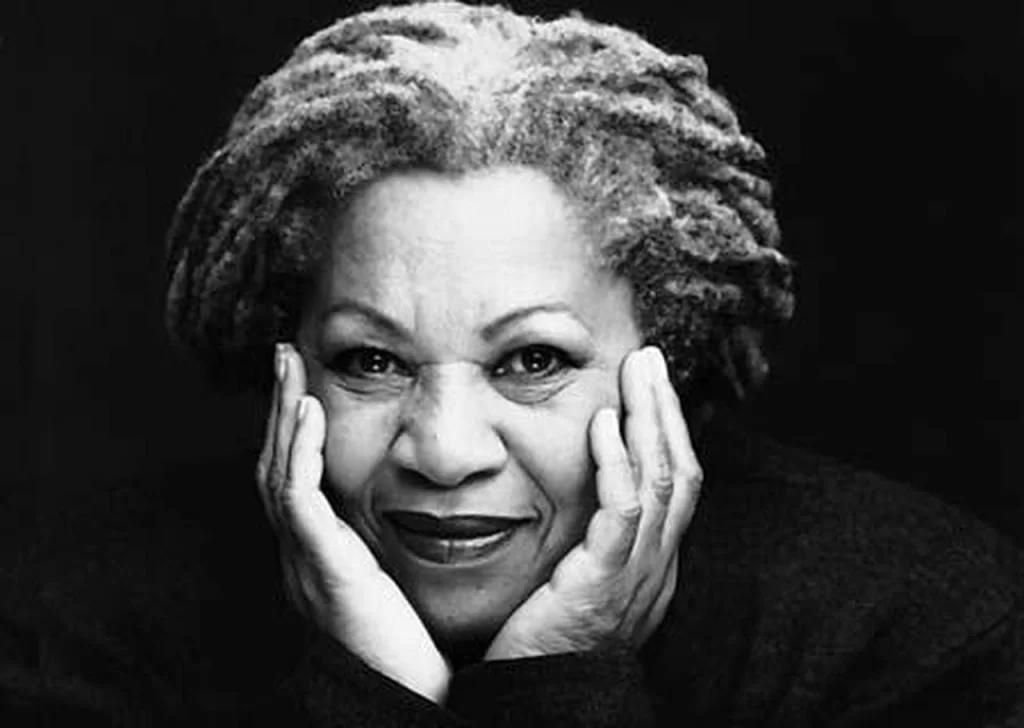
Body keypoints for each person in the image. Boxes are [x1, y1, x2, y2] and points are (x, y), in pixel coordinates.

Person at [3, 2, 1022, 725]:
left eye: (533, 358)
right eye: (371, 360)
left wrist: (557, 679)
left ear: (667, 358)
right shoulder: (83, 626)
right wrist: (372, 696)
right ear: (289, 364)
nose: (445, 453)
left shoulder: (905, 627)